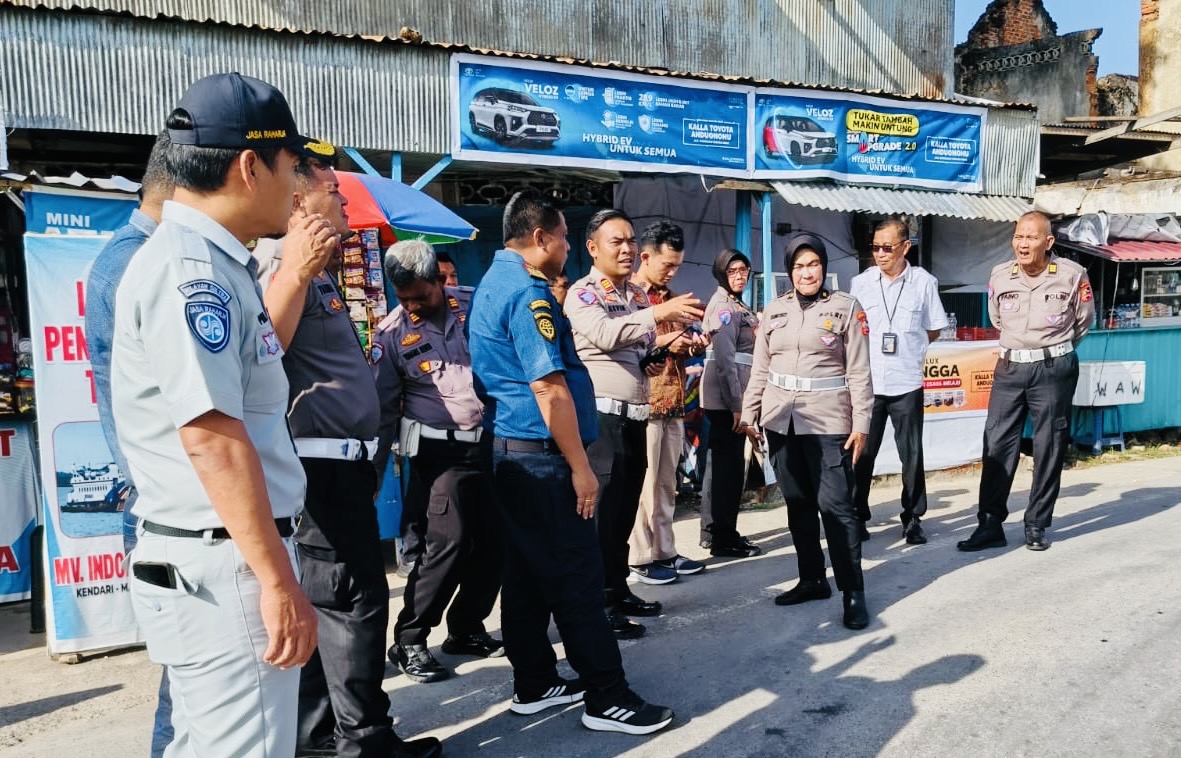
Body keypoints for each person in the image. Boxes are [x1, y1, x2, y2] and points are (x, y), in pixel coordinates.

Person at [113, 72, 318, 757]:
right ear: (250, 165)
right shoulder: (192, 273)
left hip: (219, 555)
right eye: (292, 165)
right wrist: (277, 582)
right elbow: (212, 435)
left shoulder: (213, 263)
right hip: (226, 562)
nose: (298, 186)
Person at [254, 143, 441, 758]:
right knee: (353, 601)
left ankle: (322, 739)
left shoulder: (314, 267)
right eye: (333, 191)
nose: (343, 203)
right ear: (299, 199)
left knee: (332, 599)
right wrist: (295, 273)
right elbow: (263, 353)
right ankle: (363, 741)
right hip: (319, 466)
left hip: (339, 463)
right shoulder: (281, 263)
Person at [468, 190, 675, 735]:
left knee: (527, 574)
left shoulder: (495, 280)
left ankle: (534, 681)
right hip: (541, 456)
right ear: (540, 238)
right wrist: (581, 467)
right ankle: (607, 695)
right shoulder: (527, 292)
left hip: (515, 453)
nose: (566, 247)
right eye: (563, 237)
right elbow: (549, 387)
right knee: (577, 575)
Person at [565, 209, 704, 638]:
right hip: (602, 421)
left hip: (636, 417)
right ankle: (597, 605)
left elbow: (636, 348)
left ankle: (617, 589)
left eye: (630, 241)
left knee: (623, 514)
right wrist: (660, 316)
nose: (626, 249)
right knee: (602, 518)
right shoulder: (583, 293)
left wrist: (657, 352)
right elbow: (606, 335)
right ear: (593, 248)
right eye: (617, 242)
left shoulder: (636, 296)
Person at [371, 241, 504, 685]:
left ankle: (466, 627)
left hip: (490, 445)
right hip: (440, 454)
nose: (411, 305)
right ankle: (409, 638)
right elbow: (384, 411)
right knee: (448, 543)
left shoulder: (475, 304)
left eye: (420, 296)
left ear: (440, 281)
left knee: (495, 542)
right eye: (403, 297)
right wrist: (374, 473)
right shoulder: (391, 335)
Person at [85, 131, 175, 758]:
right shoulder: (136, 262)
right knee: (188, 682)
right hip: (165, 503)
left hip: (165, 497)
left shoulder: (144, 254)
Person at [742, 232, 873, 631]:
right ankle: (813, 579)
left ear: (823, 267)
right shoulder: (774, 310)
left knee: (836, 508)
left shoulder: (846, 308)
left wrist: (862, 424)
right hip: (781, 420)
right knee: (798, 505)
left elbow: (860, 371)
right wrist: (749, 414)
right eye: (798, 266)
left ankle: (853, 592)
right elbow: (760, 368)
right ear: (790, 271)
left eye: (813, 264)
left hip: (827, 422)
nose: (806, 273)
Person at [957, 211, 1094, 553]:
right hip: (1010, 368)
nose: (1022, 243)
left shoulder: (1072, 275)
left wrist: (1051, 350)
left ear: (1048, 242)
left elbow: (1082, 321)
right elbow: (996, 318)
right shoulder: (1000, 275)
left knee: (1049, 445)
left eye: (1031, 237)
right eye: (1018, 236)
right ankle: (990, 524)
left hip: (1053, 368)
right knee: (997, 443)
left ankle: (1036, 524)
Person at [849, 219, 949, 545]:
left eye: (887, 248)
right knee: (862, 453)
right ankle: (856, 515)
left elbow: (934, 328)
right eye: (875, 247)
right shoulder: (861, 284)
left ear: (905, 247)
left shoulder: (924, 283)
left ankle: (913, 517)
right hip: (868, 383)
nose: (880, 254)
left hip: (906, 381)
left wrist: (910, 348)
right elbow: (853, 332)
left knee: (911, 454)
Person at [627, 221, 706, 584]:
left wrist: (692, 344)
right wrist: (666, 341)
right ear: (645, 257)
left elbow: (675, 345)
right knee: (644, 484)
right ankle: (640, 556)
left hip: (673, 399)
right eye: (667, 265)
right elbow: (629, 342)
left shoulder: (670, 297)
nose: (672, 272)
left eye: (677, 266)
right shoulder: (629, 297)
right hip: (644, 402)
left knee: (665, 484)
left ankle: (666, 550)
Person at [699, 248, 763, 558]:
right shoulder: (724, 307)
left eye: (743, 270)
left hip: (730, 396)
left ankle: (713, 531)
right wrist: (738, 406)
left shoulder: (736, 304)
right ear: (721, 273)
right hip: (728, 400)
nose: (739, 276)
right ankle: (724, 537)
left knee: (720, 466)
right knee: (729, 470)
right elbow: (725, 362)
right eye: (732, 271)